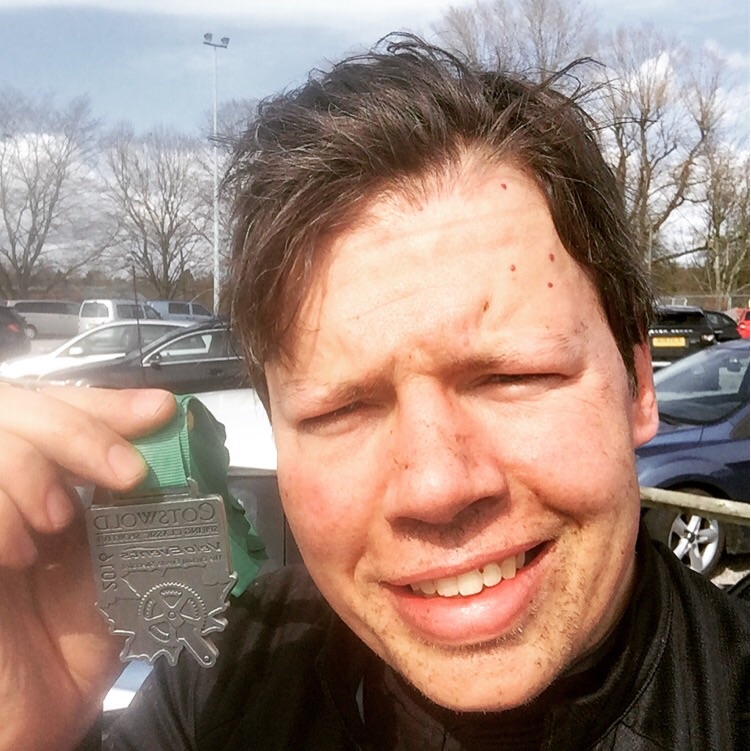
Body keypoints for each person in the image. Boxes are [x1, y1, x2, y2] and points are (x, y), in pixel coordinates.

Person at [0, 34, 747, 751]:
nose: (435, 487)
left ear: (638, 386)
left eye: (512, 376)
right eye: (342, 409)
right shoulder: (220, 684)